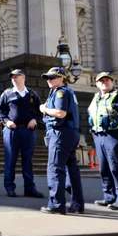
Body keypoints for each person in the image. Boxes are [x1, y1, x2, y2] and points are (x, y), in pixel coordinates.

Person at [39, 67, 85, 215]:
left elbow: (60, 113)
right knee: (72, 170)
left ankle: (56, 204)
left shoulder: (60, 92)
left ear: (61, 79)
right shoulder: (63, 92)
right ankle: (77, 204)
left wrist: (44, 110)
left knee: (55, 168)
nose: (48, 80)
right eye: (47, 78)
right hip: (69, 133)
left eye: (52, 77)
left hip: (61, 134)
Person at [88, 72, 118, 211]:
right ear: (97, 84)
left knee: (117, 167)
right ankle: (109, 197)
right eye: (101, 81)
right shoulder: (96, 97)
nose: (105, 82)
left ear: (112, 82)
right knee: (104, 168)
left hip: (114, 135)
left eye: (107, 80)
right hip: (99, 135)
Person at [0, 69, 45, 198]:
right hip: (12, 131)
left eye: (16, 77)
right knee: (10, 160)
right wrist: (7, 121)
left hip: (28, 131)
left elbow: (40, 110)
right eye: (12, 77)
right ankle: (10, 187)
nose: (14, 79)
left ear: (23, 78)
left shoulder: (32, 94)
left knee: (27, 160)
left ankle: (30, 188)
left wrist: (35, 120)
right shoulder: (7, 94)